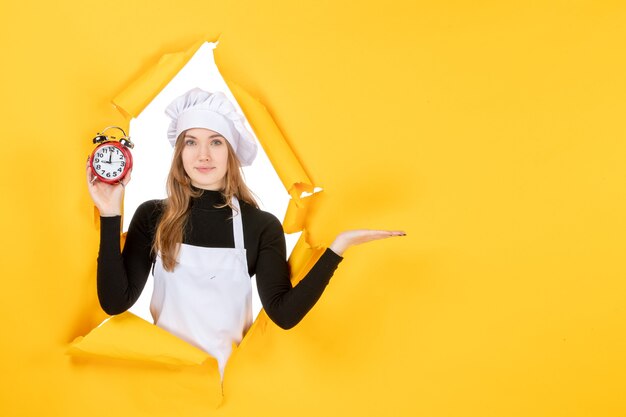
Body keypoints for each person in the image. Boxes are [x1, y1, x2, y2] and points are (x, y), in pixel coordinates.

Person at [86, 88, 405, 376]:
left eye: (215, 142)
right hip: (166, 387)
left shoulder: (260, 226)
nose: (203, 155)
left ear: (231, 153)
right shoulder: (152, 216)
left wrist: (337, 248)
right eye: (191, 142)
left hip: (230, 394)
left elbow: (283, 314)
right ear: (179, 152)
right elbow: (114, 302)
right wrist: (111, 213)